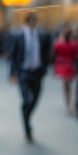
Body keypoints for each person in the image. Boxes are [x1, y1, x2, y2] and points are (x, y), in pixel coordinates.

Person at [8, 13, 52, 143]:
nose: (34, 23)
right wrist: (13, 73)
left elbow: (46, 53)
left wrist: (44, 69)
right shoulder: (18, 35)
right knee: (27, 99)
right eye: (32, 21)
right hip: (24, 72)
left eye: (35, 21)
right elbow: (13, 55)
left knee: (35, 99)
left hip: (37, 73)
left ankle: (26, 114)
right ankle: (27, 128)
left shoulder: (43, 35)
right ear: (27, 22)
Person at [53, 23, 78, 113]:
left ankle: (69, 103)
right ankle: (69, 103)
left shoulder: (62, 41)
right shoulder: (69, 42)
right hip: (65, 65)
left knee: (67, 86)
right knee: (67, 86)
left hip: (67, 65)